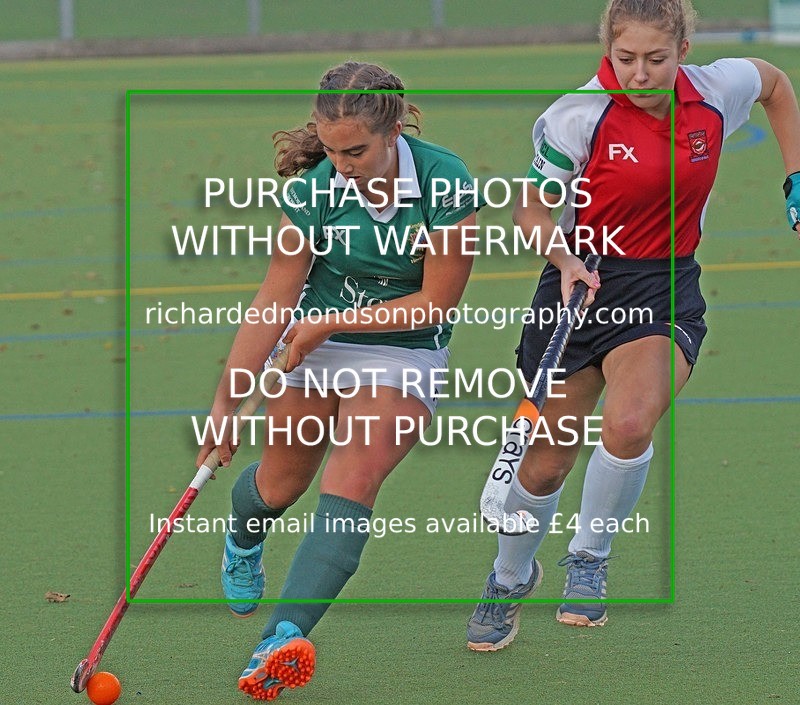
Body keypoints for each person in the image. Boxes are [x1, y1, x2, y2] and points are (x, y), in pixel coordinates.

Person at [467, 0, 800, 651]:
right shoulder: (578, 115)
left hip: (662, 286)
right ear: (608, 49)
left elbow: (777, 85)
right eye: (626, 59)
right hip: (577, 284)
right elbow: (532, 209)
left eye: (656, 59)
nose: (640, 74)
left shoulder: (714, 90)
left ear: (682, 48)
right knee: (543, 466)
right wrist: (561, 255)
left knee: (628, 420)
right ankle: (509, 576)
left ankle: (589, 558)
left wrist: (796, 175)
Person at [196, 61, 481, 699]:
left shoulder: (445, 181)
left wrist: (331, 323)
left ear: (395, 130)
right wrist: (226, 402)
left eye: (356, 151)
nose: (342, 165)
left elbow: (436, 303)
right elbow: (273, 303)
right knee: (277, 484)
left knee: (352, 478)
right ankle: (245, 529)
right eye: (330, 150)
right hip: (311, 346)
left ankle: (281, 639)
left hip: (402, 351)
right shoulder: (312, 194)